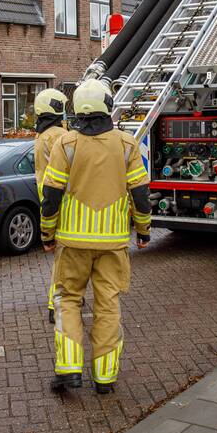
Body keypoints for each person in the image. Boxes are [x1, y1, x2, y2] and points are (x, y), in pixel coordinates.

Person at [40, 79, 152, 394]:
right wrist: (143, 231)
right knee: (107, 305)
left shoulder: (66, 144)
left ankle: (69, 370)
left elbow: (51, 195)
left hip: (72, 243)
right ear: (107, 106)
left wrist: (47, 233)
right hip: (113, 244)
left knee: (68, 301)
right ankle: (104, 378)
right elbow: (140, 195)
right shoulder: (126, 144)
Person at [33, 88, 69, 323]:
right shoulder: (57, 135)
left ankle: (66, 297)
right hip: (62, 199)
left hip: (46, 199)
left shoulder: (41, 135)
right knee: (64, 258)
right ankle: (56, 304)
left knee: (63, 256)